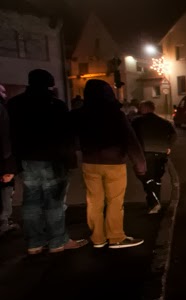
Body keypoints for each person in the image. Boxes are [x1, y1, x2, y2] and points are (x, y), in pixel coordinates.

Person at [6, 69, 87, 254]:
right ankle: (58, 241)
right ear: (49, 84)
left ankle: (34, 242)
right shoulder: (55, 105)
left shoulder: (15, 104)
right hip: (52, 158)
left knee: (31, 201)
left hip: (27, 158)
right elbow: (65, 134)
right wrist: (69, 159)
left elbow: (10, 133)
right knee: (54, 202)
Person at [70, 79, 147, 249]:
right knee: (114, 201)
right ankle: (115, 237)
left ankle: (97, 237)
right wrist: (140, 165)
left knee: (94, 201)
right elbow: (130, 140)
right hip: (114, 162)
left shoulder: (79, 114)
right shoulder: (116, 114)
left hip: (90, 162)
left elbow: (71, 138)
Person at [131, 100, 176, 214]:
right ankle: (155, 202)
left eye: (141, 107)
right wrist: (168, 146)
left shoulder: (137, 122)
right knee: (156, 179)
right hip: (161, 153)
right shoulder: (163, 122)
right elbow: (173, 135)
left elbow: (131, 137)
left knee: (147, 178)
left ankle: (154, 203)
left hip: (146, 153)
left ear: (144, 109)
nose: (139, 109)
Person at [0, 84, 17, 236]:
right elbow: (5, 137)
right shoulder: (2, 110)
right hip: (3, 160)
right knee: (6, 191)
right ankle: (4, 222)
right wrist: (9, 165)